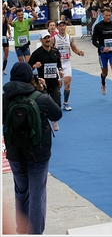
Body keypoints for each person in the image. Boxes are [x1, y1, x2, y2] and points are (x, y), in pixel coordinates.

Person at [3, 62, 62, 234]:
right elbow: (57, 114)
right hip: (39, 152)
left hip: (15, 152)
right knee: (37, 193)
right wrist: (42, 90)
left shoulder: (5, 97)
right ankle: (35, 232)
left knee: (21, 191)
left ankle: (21, 229)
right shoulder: (40, 97)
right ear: (31, 76)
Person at [28, 30, 63, 131]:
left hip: (54, 82)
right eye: (45, 38)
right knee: (41, 105)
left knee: (57, 104)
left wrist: (60, 71)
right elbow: (28, 67)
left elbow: (58, 64)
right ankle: (43, 122)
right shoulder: (37, 53)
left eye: (48, 37)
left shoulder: (55, 52)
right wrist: (34, 66)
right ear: (41, 40)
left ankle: (53, 120)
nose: (48, 40)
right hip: (42, 84)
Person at [92, 7, 112, 104]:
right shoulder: (98, 26)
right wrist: (101, 48)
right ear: (102, 16)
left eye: (110, 15)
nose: (108, 17)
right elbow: (93, 41)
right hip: (103, 54)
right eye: (106, 15)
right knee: (105, 73)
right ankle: (103, 82)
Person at [54, 20, 85, 111]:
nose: (62, 27)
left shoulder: (69, 37)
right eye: (60, 26)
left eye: (63, 26)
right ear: (58, 28)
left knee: (67, 83)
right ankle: (56, 101)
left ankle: (65, 103)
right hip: (57, 64)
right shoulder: (54, 38)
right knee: (58, 84)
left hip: (66, 63)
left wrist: (79, 52)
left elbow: (74, 48)